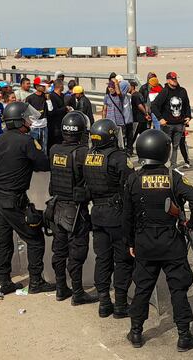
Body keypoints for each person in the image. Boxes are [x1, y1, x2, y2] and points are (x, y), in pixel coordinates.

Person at [123, 129, 193, 351]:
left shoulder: (133, 179)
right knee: (178, 289)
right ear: (164, 151)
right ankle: (184, 335)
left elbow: (127, 216)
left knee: (142, 289)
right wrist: (190, 223)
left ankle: (137, 332)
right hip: (171, 242)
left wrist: (130, 243)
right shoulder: (172, 176)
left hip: (144, 243)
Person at [0, 102, 53, 295]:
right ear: (18, 121)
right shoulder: (26, 141)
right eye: (25, 118)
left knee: (4, 238)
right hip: (12, 197)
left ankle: (4, 280)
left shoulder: (0, 138)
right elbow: (42, 163)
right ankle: (36, 282)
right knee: (34, 237)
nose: (29, 121)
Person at [82, 118, 133, 318]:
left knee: (102, 259)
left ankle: (104, 302)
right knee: (122, 260)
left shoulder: (89, 156)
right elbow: (130, 185)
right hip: (117, 215)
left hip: (97, 213)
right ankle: (120, 304)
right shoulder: (119, 157)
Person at [47, 111, 97, 306]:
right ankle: (77, 292)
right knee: (77, 252)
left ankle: (61, 288)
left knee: (59, 251)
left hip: (56, 207)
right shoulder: (83, 153)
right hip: (76, 211)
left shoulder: (54, 149)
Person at [152, 72, 191, 168]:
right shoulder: (165, 91)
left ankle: (173, 165)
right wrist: (160, 118)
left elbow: (187, 105)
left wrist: (188, 116)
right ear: (168, 80)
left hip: (179, 124)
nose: (175, 81)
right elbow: (154, 106)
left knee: (175, 146)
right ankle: (163, 164)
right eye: (173, 79)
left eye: (175, 79)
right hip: (167, 125)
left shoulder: (182, 91)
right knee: (166, 146)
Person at [26, 77, 49, 152]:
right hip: (34, 127)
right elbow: (26, 113)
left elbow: (51, 109)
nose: (43, 87)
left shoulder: (46, 97)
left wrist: (48, 99)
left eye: (44, 86)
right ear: (36, 86)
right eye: (42, 86)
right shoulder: (30, 98)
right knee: (33, 149)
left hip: (44, 126)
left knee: (44, 148)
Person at [47, 80, 71, 151]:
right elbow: (52, 112)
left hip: (62, 125)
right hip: (54, 127)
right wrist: (65, 108)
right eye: (63, 85)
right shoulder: (52, 96)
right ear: (60, 86)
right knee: (54, 145)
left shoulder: (62, 96)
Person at [102, 78, 126, 148]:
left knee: (121, 138)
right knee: (111, 138)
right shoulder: (107, 97)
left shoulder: (120, 96)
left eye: (112, 87)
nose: (110, 89)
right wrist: (103, 121)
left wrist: (116, 83)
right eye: (109, 87)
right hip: (110, 121)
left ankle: (121, 151)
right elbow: (104, 110)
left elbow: (118, 92)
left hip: (119, 121)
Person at [129, 81, 150, 152]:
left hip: (137, 119)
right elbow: (145, 104)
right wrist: (146, 114)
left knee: (133, 136)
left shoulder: (134, 96)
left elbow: (140, 106)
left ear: (132, 87)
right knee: (145, 135)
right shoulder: (139, 94)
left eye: (128, 87)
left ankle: (129, 150)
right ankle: (147, 148)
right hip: (143, 119)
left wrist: (145, 113)